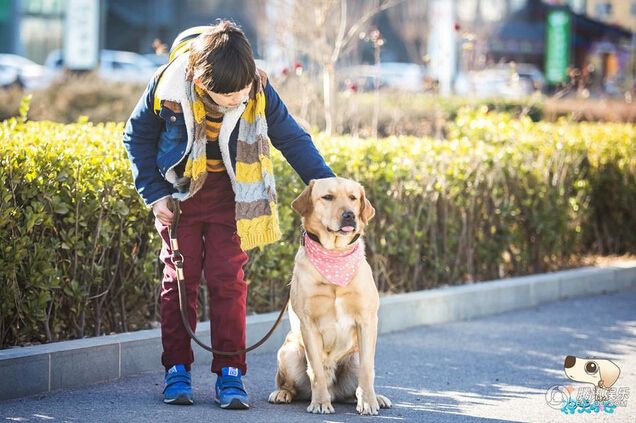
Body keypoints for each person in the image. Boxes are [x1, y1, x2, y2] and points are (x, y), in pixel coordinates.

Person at [122, 20, 334, 409]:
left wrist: (330, 189)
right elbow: (136, 136)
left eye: (243, 91)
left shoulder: (257, 87)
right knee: (179, 283)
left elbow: (291, 138)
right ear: (200, 83)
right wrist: (155, 197)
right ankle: (177, 371)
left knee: (228, 282)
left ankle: (230, 374)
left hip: (234, 198)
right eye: (227, 95)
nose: (238, 98)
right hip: (179, 197)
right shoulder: (167, 87)